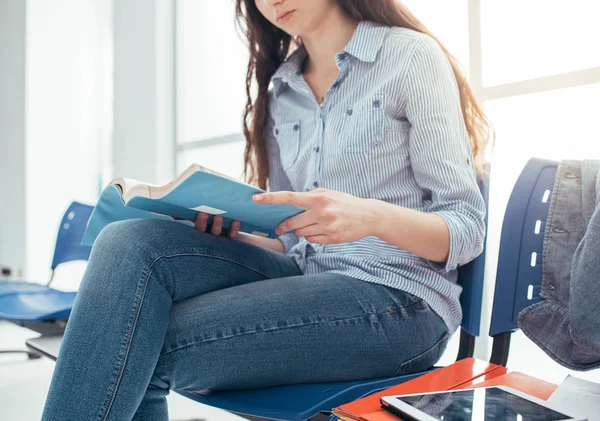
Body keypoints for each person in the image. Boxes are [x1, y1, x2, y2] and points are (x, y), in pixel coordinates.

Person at [42, 1, 491, 420]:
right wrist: (230, 230)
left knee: (139, 335)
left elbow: (466, 228)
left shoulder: (410, 57)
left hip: (400, 302)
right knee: (129, 240)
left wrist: (370, 216)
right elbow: (290, 237)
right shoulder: (282, 90)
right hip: (307, 276)